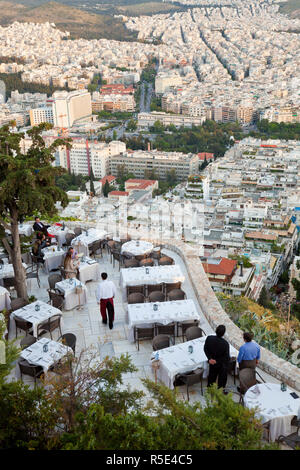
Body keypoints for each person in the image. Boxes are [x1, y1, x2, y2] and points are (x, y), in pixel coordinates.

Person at [204, 324, 230, 391]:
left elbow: (205, 349)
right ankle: (220, 390)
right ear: (223, 334)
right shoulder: (225, 344)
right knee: (222, 378)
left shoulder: (209, 338)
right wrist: (217, 361)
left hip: (212, 362)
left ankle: (210, 389)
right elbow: (226, 357)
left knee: (211, 376)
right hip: (220, 364)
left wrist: (210, 358)